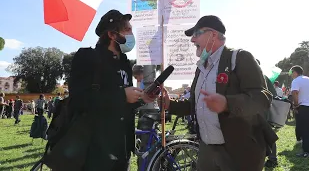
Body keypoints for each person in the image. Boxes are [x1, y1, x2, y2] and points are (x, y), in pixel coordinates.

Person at [164, 15, 278, 171]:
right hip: (207, 149)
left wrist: (227, 104)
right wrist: (169, 104)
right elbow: (194, 105)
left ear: (213, 35)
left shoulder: (240, 57)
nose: (192, 40)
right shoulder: (201, 68)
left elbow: (262, 98)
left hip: (239, 151)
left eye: (196, 34)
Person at [66, 9, 156, 170]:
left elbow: (124, 105)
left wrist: (142, 99)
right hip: (94, 151)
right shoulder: (87, 57)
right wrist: (122, 95)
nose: (131, 35)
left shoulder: (125, 63)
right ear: (112, 35)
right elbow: (78, 99)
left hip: (122, 150)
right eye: (127, 30)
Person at [290, 65, 309, 157]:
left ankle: (308, 152)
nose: (291, 75)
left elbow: (294, 93)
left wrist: (295, 105)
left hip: (302, 107)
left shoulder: (296, 81)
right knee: (308, 129)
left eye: (291, 72)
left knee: (305, 130)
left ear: (295, 72)